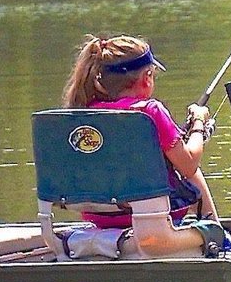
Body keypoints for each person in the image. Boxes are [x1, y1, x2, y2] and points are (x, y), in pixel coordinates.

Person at [62, 34, 220, 230]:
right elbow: (188, 165)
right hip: (153, 218)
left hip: (100, 217)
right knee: (192, 173)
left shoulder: (84, 112)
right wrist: (198, 123)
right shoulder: (150, 111)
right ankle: (215, 233)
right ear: (146, 79)